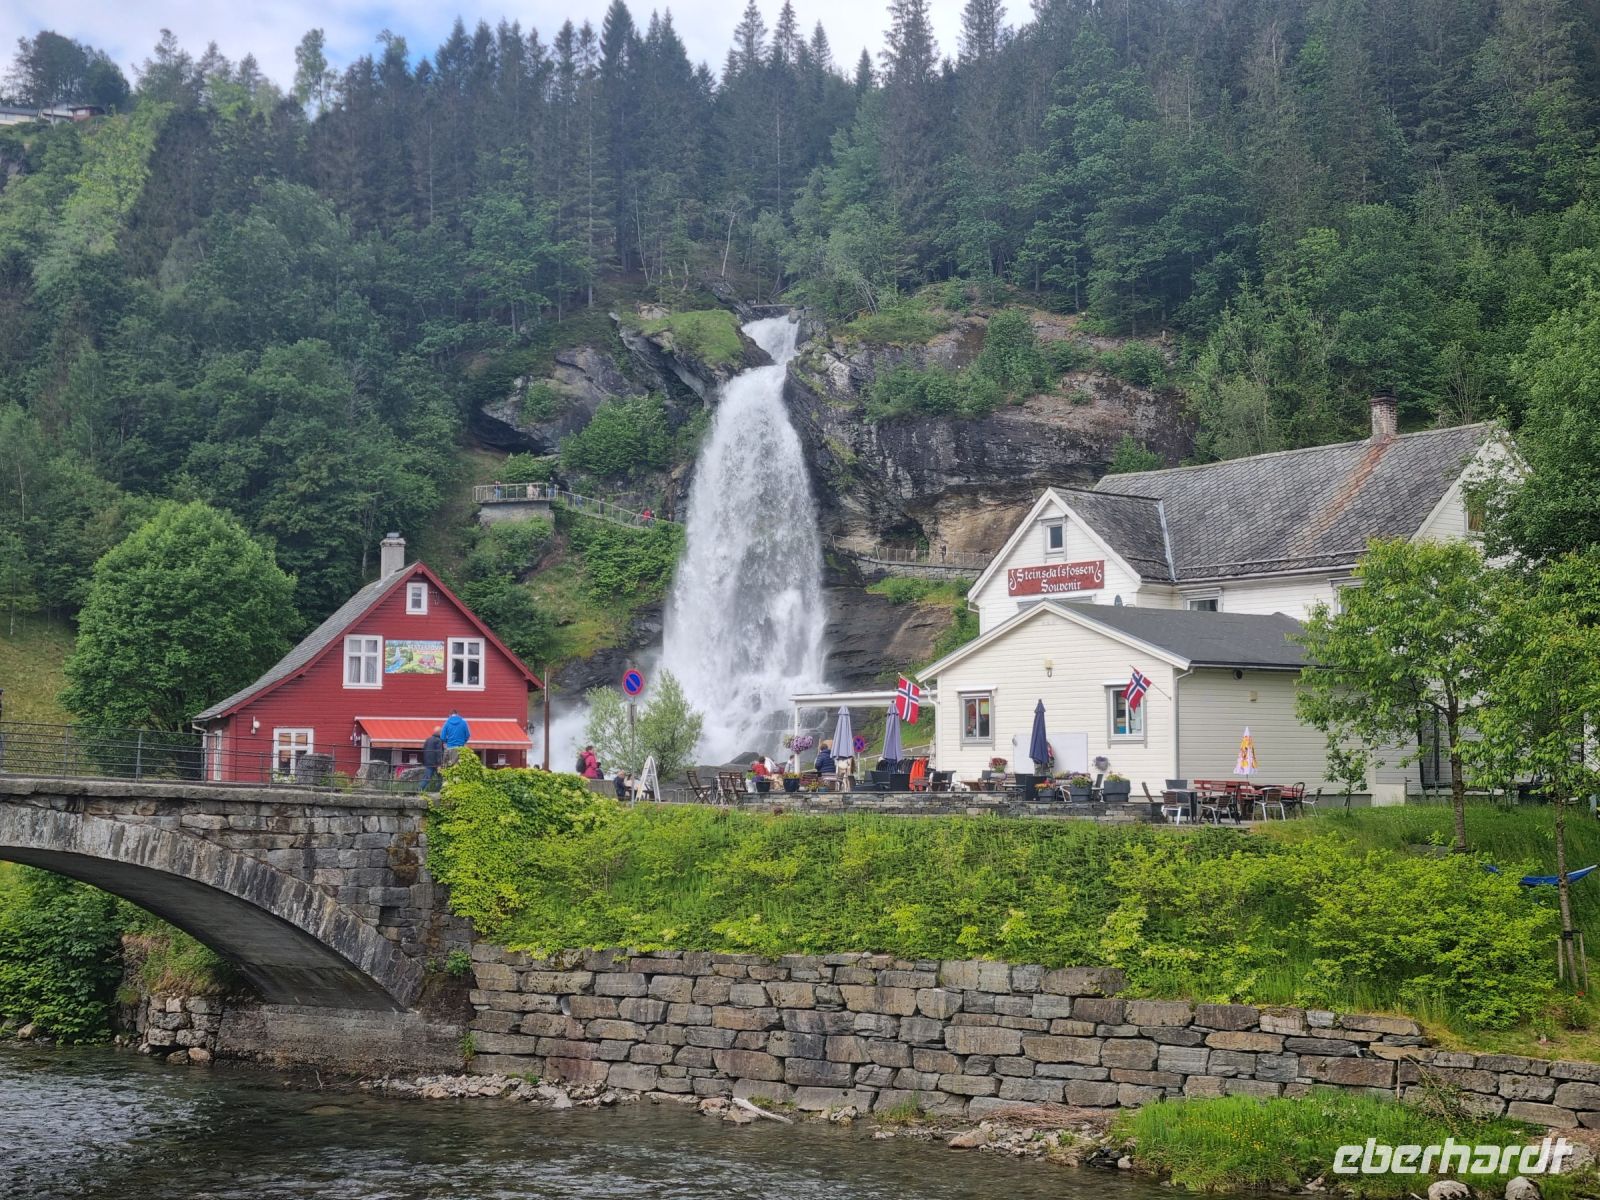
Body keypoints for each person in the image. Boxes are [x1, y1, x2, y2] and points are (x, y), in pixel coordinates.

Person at [419, 728, 445, 792]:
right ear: (439, 733)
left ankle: (419, 790)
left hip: (428, 762)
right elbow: (439, 753)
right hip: (436, 763)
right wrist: (439, 764)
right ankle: (436, 791)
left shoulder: (428, 740)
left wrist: (423, 761)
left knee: (426, 778)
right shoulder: (439, 741)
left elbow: (423, 750)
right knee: (441, 779)